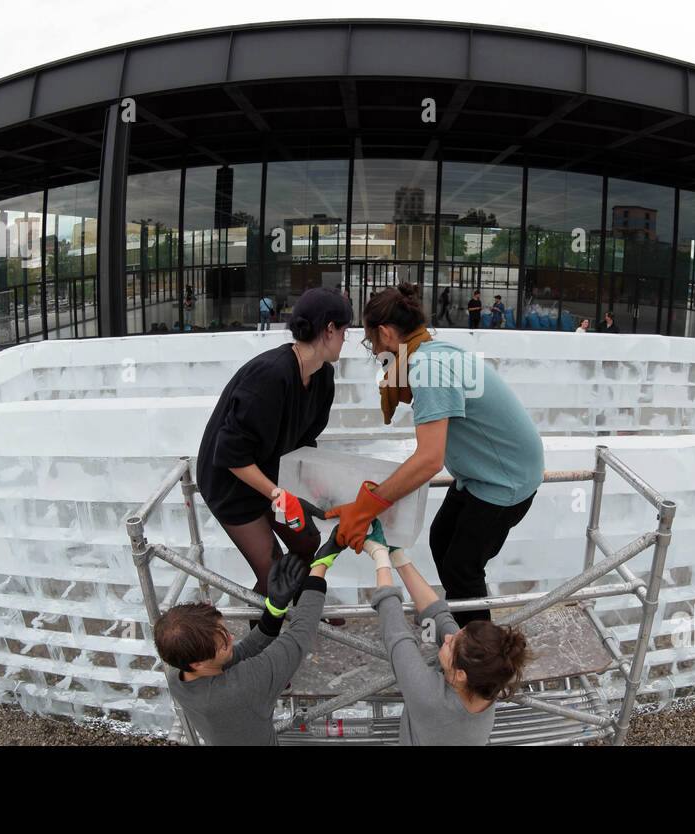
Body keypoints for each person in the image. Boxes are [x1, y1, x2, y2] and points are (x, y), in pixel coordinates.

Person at [328, 284, 544, 625]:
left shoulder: (427, 366)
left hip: (505, 481)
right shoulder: (428, 352)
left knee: (462, 567)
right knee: (441, 539)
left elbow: (429, 460)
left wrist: (368, 506)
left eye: (372, 343)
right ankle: (456, 624)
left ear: (384, 333)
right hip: (480, 475)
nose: (374, 353)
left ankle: (478, 659)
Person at [196, 287, 350, 604]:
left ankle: (303, 601)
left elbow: (305, 441)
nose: (346, 339)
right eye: (345, 330)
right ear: (330, 329)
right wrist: (278, 495)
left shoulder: (323, 377)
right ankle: (262, 631)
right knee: (273, 572)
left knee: (308, 541)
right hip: (232, 482)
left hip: (272, 475)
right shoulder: (271, 374)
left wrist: (316, 487)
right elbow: (230, 454)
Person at [362, 522, 530, 745]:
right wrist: (397, 557)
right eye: (459, 632)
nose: (448, 637)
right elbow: (438, 617)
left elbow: (396, 635)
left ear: (460, 674)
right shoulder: (485, 682)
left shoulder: (430, 698)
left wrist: (379, 557)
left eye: (451, 644)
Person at [155, 549, 331, 745]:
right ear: (197, 663)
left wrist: (274, 611)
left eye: (224, 631)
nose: (232, 637)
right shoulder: (242, 688)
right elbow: (300, 635)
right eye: (223, 644)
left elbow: (243, 652)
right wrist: (321, 565)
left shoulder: (178, 677)